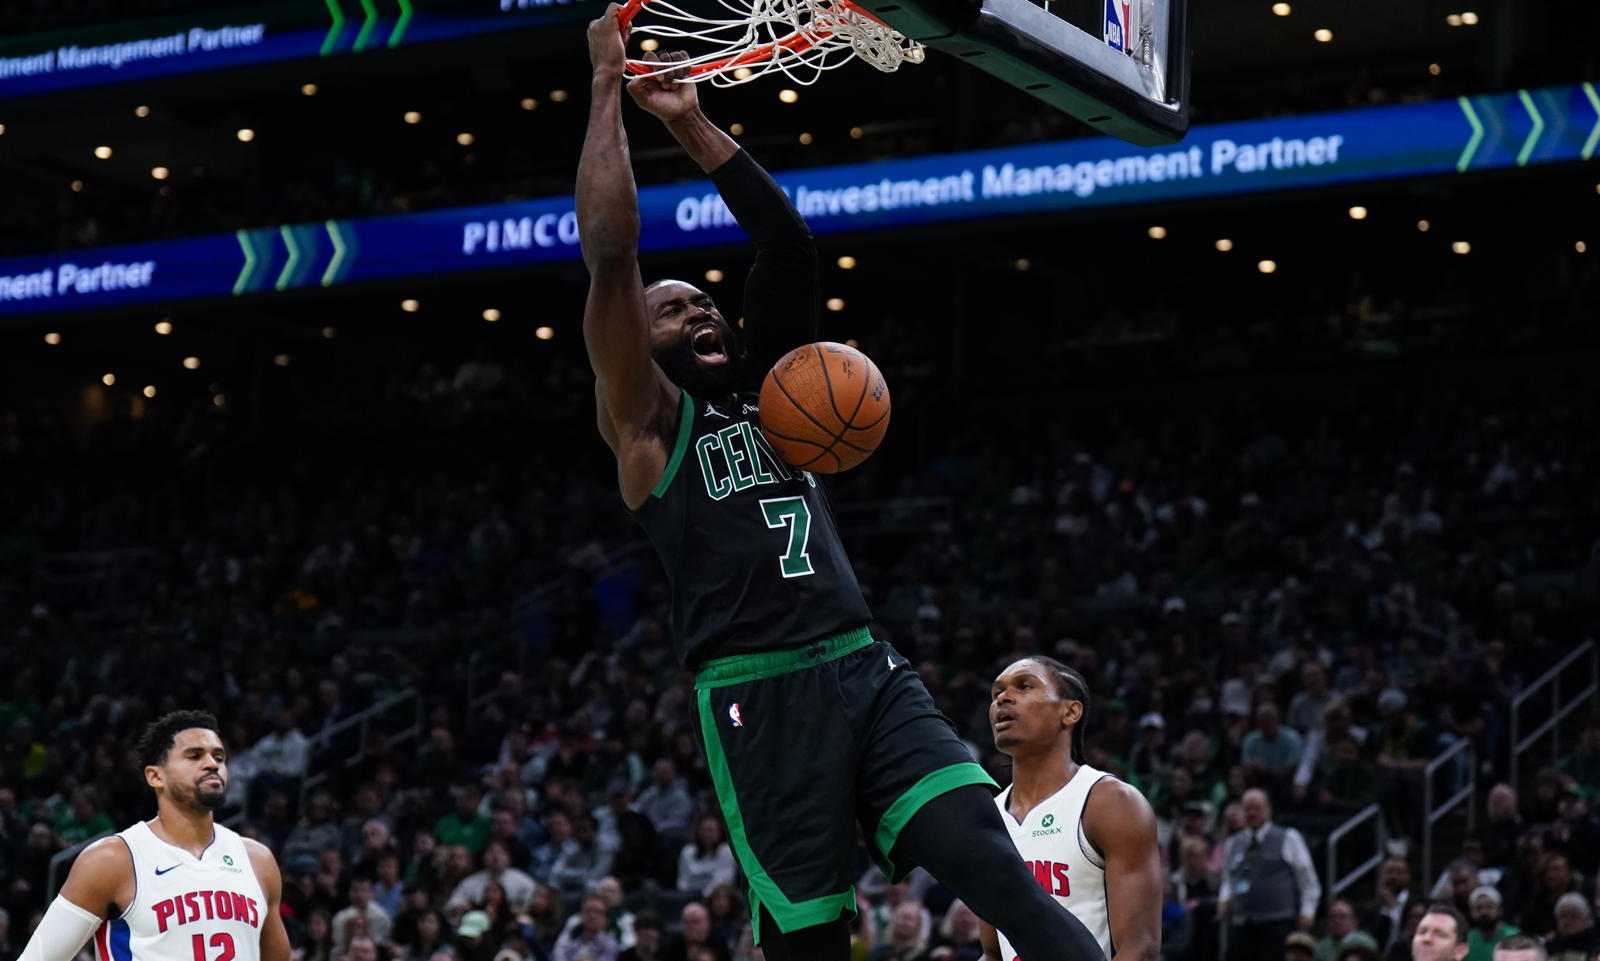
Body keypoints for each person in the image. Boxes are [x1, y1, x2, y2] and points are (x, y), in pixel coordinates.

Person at [578, 10, 1112, 961]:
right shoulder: (651, 426)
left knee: (990, 863)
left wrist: (691, 122)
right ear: (641, 342)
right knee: (811, 943)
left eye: (703, 299)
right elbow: (614, 259)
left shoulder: (779, 393)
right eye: (672, 311)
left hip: (866, 669)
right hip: (759, 695)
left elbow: (787, 248)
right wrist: (607, 90)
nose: (697, 307)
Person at [15, 710, 291, 961]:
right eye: (194, 756)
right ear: (155, 777)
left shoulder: (258, 860)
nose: (212, 764)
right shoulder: (112, 860)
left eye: (218, 757)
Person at [976, 657, 1162, 961]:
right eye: (996, 693)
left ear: (1070, 711)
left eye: (1024, 686)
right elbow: (993, 952)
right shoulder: (988, 818)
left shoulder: (1109, 802)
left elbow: (1140, 946)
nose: (1003, 698)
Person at [1218, 789, 1322, 961]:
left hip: (1277, 922)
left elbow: (1307, 879)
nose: (1252, 813)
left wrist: (1307, 911)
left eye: (1257, 808)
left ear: (1268, 810)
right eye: (1247, 808)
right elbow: (1228, 879)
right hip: (1242, 922)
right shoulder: (1232, 842)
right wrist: (1224, 899)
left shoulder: (1288, 837)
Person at [1462, 887, 1517, 961]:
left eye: (1489, 907)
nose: (1484, 912)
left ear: (1500, 910)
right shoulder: (1467, 940)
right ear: (1471, 912)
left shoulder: (1514, 936)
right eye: (1479, 908)